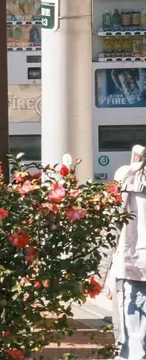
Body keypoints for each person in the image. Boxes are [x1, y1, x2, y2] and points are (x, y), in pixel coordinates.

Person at [111, 146, 146, 360]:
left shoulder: (128, 179)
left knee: (134, 340)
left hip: (134, 270)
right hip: (135, 271)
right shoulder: (129, 178)